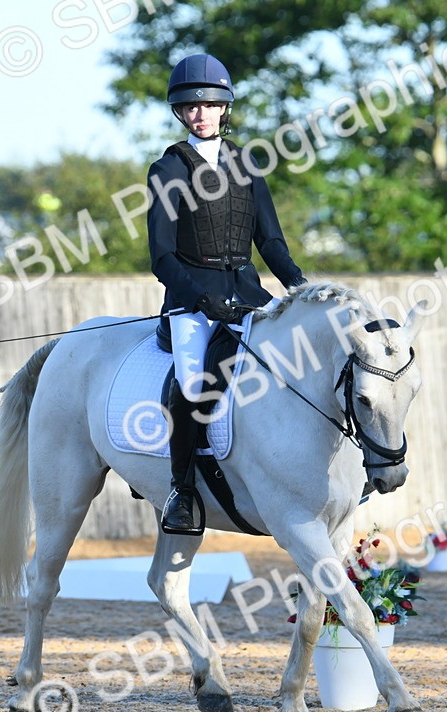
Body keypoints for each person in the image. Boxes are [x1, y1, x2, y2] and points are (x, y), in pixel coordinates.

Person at [148, 53, 307, 534]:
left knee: (303, 360)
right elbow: (162, 258)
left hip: (248, 293)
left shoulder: (246, 163)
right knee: (194, 385)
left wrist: (302, 286)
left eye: (210, 104)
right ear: (181, 113)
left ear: (224, 108)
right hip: (193, 300)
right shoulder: (167, 169)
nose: (200, 113)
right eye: (191, 107)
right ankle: (181, 490)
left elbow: (270, 240)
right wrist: (199, 298)